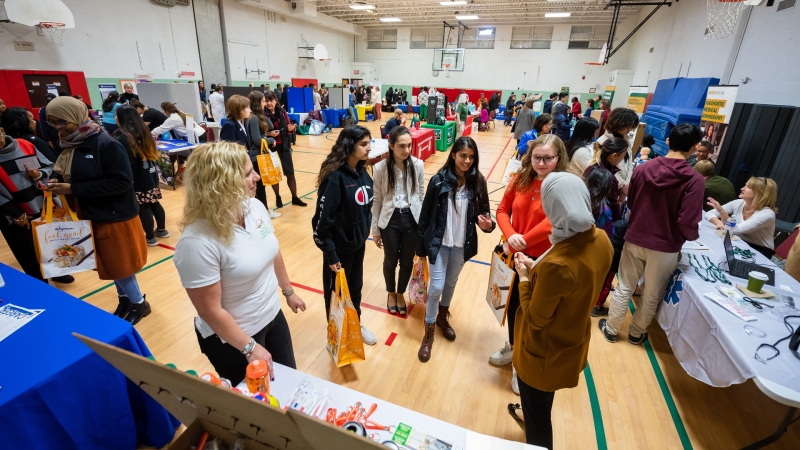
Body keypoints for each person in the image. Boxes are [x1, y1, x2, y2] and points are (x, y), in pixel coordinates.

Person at [174, 141, 306, 386]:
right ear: (222, 183)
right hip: (233, 339)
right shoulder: (196, 242)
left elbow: (272, 250)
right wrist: (249, 347)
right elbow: (209, 310)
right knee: (257, 405)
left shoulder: (254, 207)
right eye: (248, 174)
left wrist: (288, 292)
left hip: (272, 318)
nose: (256, 176)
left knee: (289, 386)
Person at [512, 172, 612, 450]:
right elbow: (574, 286)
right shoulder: (601, 239)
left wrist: (523, 276)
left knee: (539, 417)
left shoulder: (559, 264)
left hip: (543, 353)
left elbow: (535, 318)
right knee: (541, 405)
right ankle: (528, 415)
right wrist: (537, 269)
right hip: (571, 341)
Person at [45, 97, 151, 324]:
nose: (58, 128)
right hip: (89, 212)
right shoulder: (70, 143)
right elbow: (69, 172)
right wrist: (54, 181)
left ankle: (139, 304)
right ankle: (126, 299)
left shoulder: (106, 144)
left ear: (76, 116)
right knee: (109, 263)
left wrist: (72, 188)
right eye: (52, 123)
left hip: (114, 216)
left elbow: (122, 182)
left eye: (62, 122)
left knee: (118, 265)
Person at [599, 124, 705, 344]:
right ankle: (637, 332)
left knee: (626, 285)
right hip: (665, 245)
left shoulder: (643, 168)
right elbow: (687, 220)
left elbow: (633, 202)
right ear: (695, 147)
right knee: (652, 292)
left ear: (667, 141)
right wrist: (688, 236)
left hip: (635, 235)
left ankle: (611, 328)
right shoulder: (694, 180)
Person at [492, 134, 567, 393]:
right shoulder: (520, 179)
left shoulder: (563, 186)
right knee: (512, 307)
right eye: (537, 157)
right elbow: (502, 210)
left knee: (532, 314)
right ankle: (513, 350)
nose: (542, 163)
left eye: (548, 158)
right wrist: (510, 235)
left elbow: (553, 223)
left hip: (541, 261)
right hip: (513, 256)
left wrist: (515, 242)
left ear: (559, 158)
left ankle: (522, 365)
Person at [416, 136, 495, 362]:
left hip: (462, 244)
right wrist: (420, 247)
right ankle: (428, 333)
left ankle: (442, 317)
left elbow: (486, 216)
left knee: (450, 283)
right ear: (453, 155)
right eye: (463, 156)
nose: (467, 161)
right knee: (435, 288)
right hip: (439, 243)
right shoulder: (438, 180)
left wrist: (488, 227)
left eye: (471, 157)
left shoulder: (478, 182)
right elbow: (425, 215)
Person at [312, 125, 378, 346]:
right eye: (363, 144)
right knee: (336, 296)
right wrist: (331, 254)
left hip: (358, 246)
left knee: (355, 290)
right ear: (349, 146)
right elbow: (320, 225)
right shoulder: (334, 179)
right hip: (338, 253)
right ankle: (338, 334)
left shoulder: (363, 172)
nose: (369, 148)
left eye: (369, 143)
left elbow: (366, 208)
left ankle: (355, 323)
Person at [0, 128, 74, 284]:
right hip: (15, 215)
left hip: (42, 205)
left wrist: (39, 175)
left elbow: (48, 167)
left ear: (1, 131)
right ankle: (41, 286)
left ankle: (56, 272)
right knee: (28, 254)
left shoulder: (24, 145)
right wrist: (15, 214)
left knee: (51, 242)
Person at [372, 126, 425, 317]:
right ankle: (391, 293)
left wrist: (422, 224)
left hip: (411, 218)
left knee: (406, 262)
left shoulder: (417, 164)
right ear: (391, 146)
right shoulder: (379, 168)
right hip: (390, 220)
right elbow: (377, 200)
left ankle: (401, 293)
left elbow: (420, 194)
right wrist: (375, 230)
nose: (407, 150)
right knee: (390, 260)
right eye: (401, 146)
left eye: (409, 145)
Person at [114, 104, 169, 247]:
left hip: (137, 177)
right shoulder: (144, 132)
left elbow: (127, 163)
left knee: (143, 206)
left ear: (121, 118)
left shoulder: (124, 138)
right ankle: (162, 230)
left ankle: (150, 237)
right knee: (155, 202)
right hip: (150, 174)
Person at [705, 176, 778, 258]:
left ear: (759, 193)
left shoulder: (767, 214)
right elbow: (709, 214)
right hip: (739, 242)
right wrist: (719, 223)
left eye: (748, 187)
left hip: (760, 250)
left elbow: (736, 229)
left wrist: (722, 211)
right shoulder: (739, 203)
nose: (742, 188)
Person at [263, 92, 305, 207]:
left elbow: (288, 127)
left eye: (271, 100)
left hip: (284, 147)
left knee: (290, 174)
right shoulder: (262, 115)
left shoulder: (282, 112)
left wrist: (290, 129)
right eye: (266, 101)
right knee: (274, 176)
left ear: (276, 100)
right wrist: (269, 134)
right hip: (271, 148)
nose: (269, 103)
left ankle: (295, 197)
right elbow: (260, 133)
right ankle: (278, 197)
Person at [247, 91, 280, 219]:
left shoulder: (257, 116)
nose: (265, 104)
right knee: (260, 187)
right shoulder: (254, 118)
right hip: (256, 156)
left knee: (261, 186)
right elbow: (257, 140)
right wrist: (271, 140)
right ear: (257, 103)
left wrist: (263, 113)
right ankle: (264, 211)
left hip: (258, 155)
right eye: (263, 101)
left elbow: (270, 126)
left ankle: (263, 210)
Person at [583, 137, 629, 222]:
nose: (622, 159)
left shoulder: (592, 167)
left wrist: (618, 191)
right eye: (623, 156)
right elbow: (614, 206)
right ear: (614, 155)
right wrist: (619, 224)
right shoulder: (607, 177)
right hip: (598, 220)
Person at [596, 107, 639, 192]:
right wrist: (622, 185)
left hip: (623, 187)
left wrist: (627, 184)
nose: (629, 129)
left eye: (631, 126)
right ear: (617, 123)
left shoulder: (627, 140)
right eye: (626, 126)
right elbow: (602, 167)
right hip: (608, 186)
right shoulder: (602, 141)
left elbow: (629, 162)